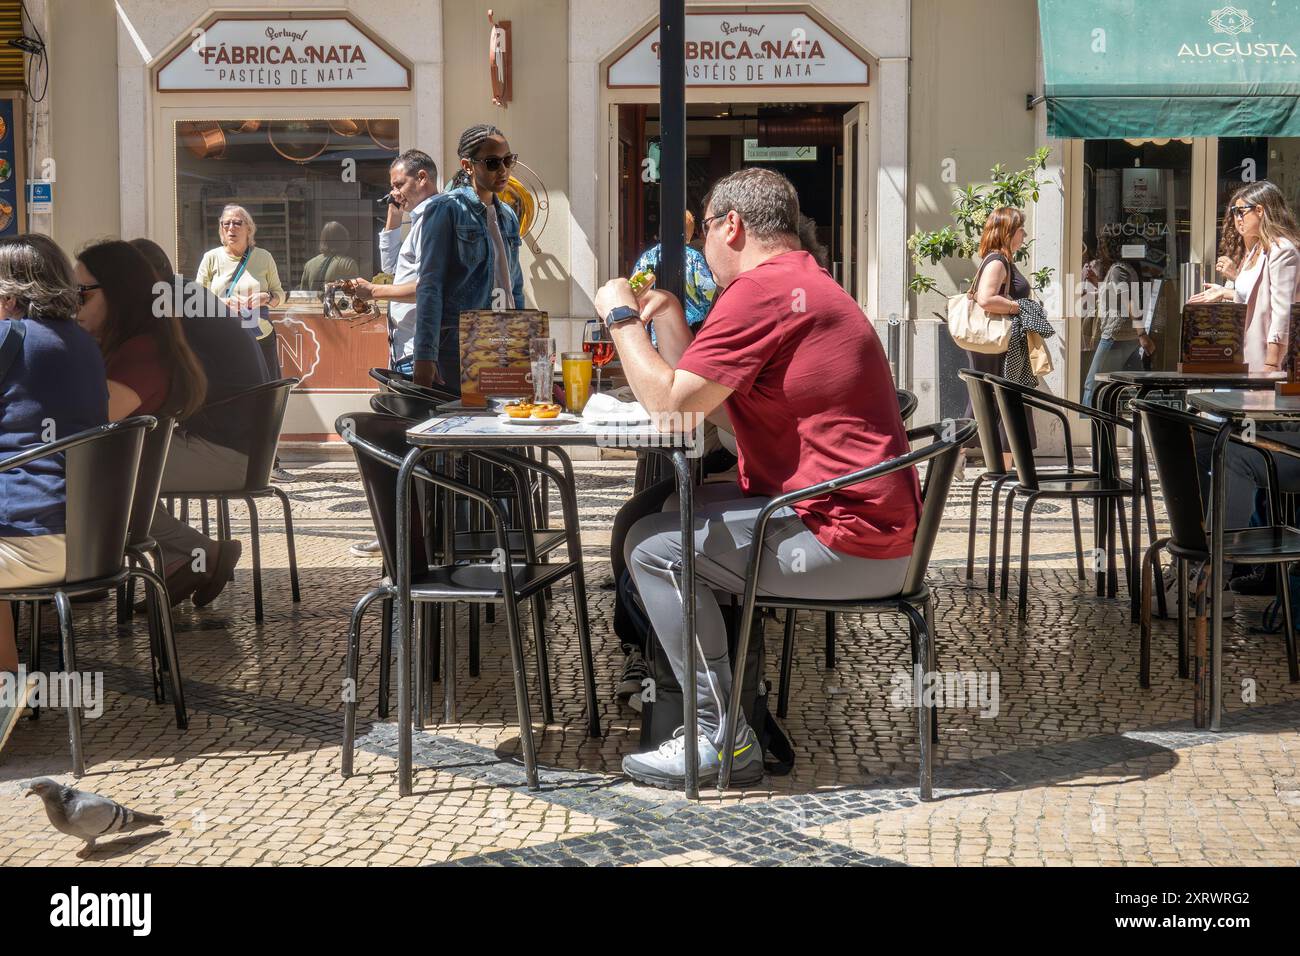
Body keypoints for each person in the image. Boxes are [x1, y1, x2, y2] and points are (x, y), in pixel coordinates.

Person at [594, 167, 920, 789]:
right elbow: (713, 398)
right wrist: (666, 324)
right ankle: (736, 707)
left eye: (706, 232)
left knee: (653, 548)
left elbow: (671, 405)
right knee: (649, 511)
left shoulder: (762, 290)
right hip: (862, 524)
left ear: (731, 226)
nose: (702, 252)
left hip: (848, 541)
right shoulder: (800, 281)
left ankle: (720, 735)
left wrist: (620, 316)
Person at [74, 241, 234, 607]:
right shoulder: (148, 332)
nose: (72, 304)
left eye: (81, 294)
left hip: (217, 450)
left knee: (101, 479)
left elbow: (88, 420)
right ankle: (185, 557)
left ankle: (199, 552)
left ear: (119, 293)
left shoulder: (142, 351)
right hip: (203, 443)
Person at [132, 238, 272, 602]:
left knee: (110, 478)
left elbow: (149, 385)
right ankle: (178, 561)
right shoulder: (184, 295)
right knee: (117, 470)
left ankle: (198, 552)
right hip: (243, 450)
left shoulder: (167, 307)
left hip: (226, 453)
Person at [0, 235, 108, 698]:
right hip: (92, 542)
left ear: (8, 294)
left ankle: (5, 701)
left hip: (32, 541)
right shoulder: (85, 345)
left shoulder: (10, 336)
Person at [346, 148, 441, 558]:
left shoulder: (436, 218)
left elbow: (424, 282)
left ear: (423, 177)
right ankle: (401, 530)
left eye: (399, 185)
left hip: (418, 347)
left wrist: (375, 291)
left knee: (407, 447)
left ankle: (409, 535)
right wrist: (392, 216)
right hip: (403, 344)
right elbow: (394, 270)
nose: (395, 193)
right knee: (405, 446)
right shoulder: (416, 220)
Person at [413, 124, 525, 390]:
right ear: (467, 165)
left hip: (504, 343)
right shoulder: (446, 210)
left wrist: (525, 343)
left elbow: (515, 286)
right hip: (459, 345)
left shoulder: (508, 215)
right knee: (463, 425)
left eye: (508, 160)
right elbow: (430, 286)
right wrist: (425, 356)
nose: (504, 170)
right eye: (492, 162)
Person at [195, 204, 293, 482]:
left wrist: (265, 298)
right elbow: (195, 300)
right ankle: (224, 460)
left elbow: (280, 295)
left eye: (237, 223)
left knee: (267, 399)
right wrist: (224, 303)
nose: (231, 228)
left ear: (249, 229)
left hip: (260, 337)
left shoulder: (263, 257)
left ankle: (270, 463)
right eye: (225, 224)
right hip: (224, 341)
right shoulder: (211, 258)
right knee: (222, 399)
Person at [958, 207, 1032, 474]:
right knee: (995, 398)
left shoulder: (1001, 260)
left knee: (993, 398)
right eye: (1021, 229)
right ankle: (958, 452)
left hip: (1002, 345)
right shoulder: (998, 262)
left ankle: (991, 463)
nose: (1024, 233)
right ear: (1008, 232)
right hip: (997, 345)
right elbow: (986, 299)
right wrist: (1018, 307)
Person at [1081, 232, 1153, 407]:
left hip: (1115, 334)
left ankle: (1087, 421)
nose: (1100, 250)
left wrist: (1142, 334)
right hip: (1129, 338)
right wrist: (1098, 282)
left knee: (1092, 384)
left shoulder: (1117, 270)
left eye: (1103, 245)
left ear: (1110, 249)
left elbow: (1129, 301)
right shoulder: (1124, 268)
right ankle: (1148, 419)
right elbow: (1116, 295)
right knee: (1138, 385)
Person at [631, 211, 717, 337]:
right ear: (689, 232)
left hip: (655, 330)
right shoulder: (694, 258)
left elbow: (634, 290)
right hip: (688, 330)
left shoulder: (648, 257)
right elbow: (710, 294)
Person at [299, 222, 360, 292]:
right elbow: (354, 294)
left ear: (322, 240)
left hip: (314, 303)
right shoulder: (348, 264)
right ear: (344, 240)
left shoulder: (309, 264)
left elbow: (303, 296)